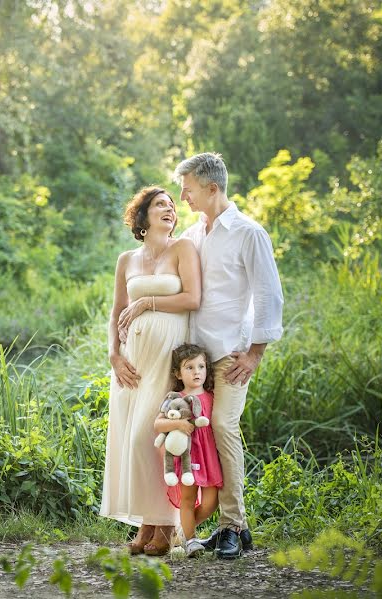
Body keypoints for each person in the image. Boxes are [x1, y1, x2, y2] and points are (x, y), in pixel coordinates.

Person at [175, 152, 284, 559]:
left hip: (231, 355)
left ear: (211, 188)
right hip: (195, 358)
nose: (183, 195)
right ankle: (215, 526)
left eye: (187, 187)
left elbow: (268, 294)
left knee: (222, 425)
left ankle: (232, 526)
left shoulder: (248, 233)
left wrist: (255, 353)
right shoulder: (191, 235)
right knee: (198, 433)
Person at [100, 186, 201, 557]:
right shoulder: (126, 259)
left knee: (151, 439)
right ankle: (148, 524)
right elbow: (115, 313)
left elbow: (192, 298)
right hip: (131, 363)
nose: (170, 209)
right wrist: (114, 355)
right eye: (160, 204)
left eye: (172, 205)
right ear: (141, 217)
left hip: (164, 358)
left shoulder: (183, 249)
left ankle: (168, 526)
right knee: (130, 441)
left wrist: (147, 302)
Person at [154, 343, 223, 557]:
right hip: (187, 456)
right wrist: (178, 425)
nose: (197, 372)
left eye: (201, 367)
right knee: (188, 498)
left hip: (209, 455)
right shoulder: (176, 398)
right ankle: (191, 541)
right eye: (190, 367)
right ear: (178, 373)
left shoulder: (213, 396)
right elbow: (158, 424)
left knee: (211, 503)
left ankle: (181, 531)